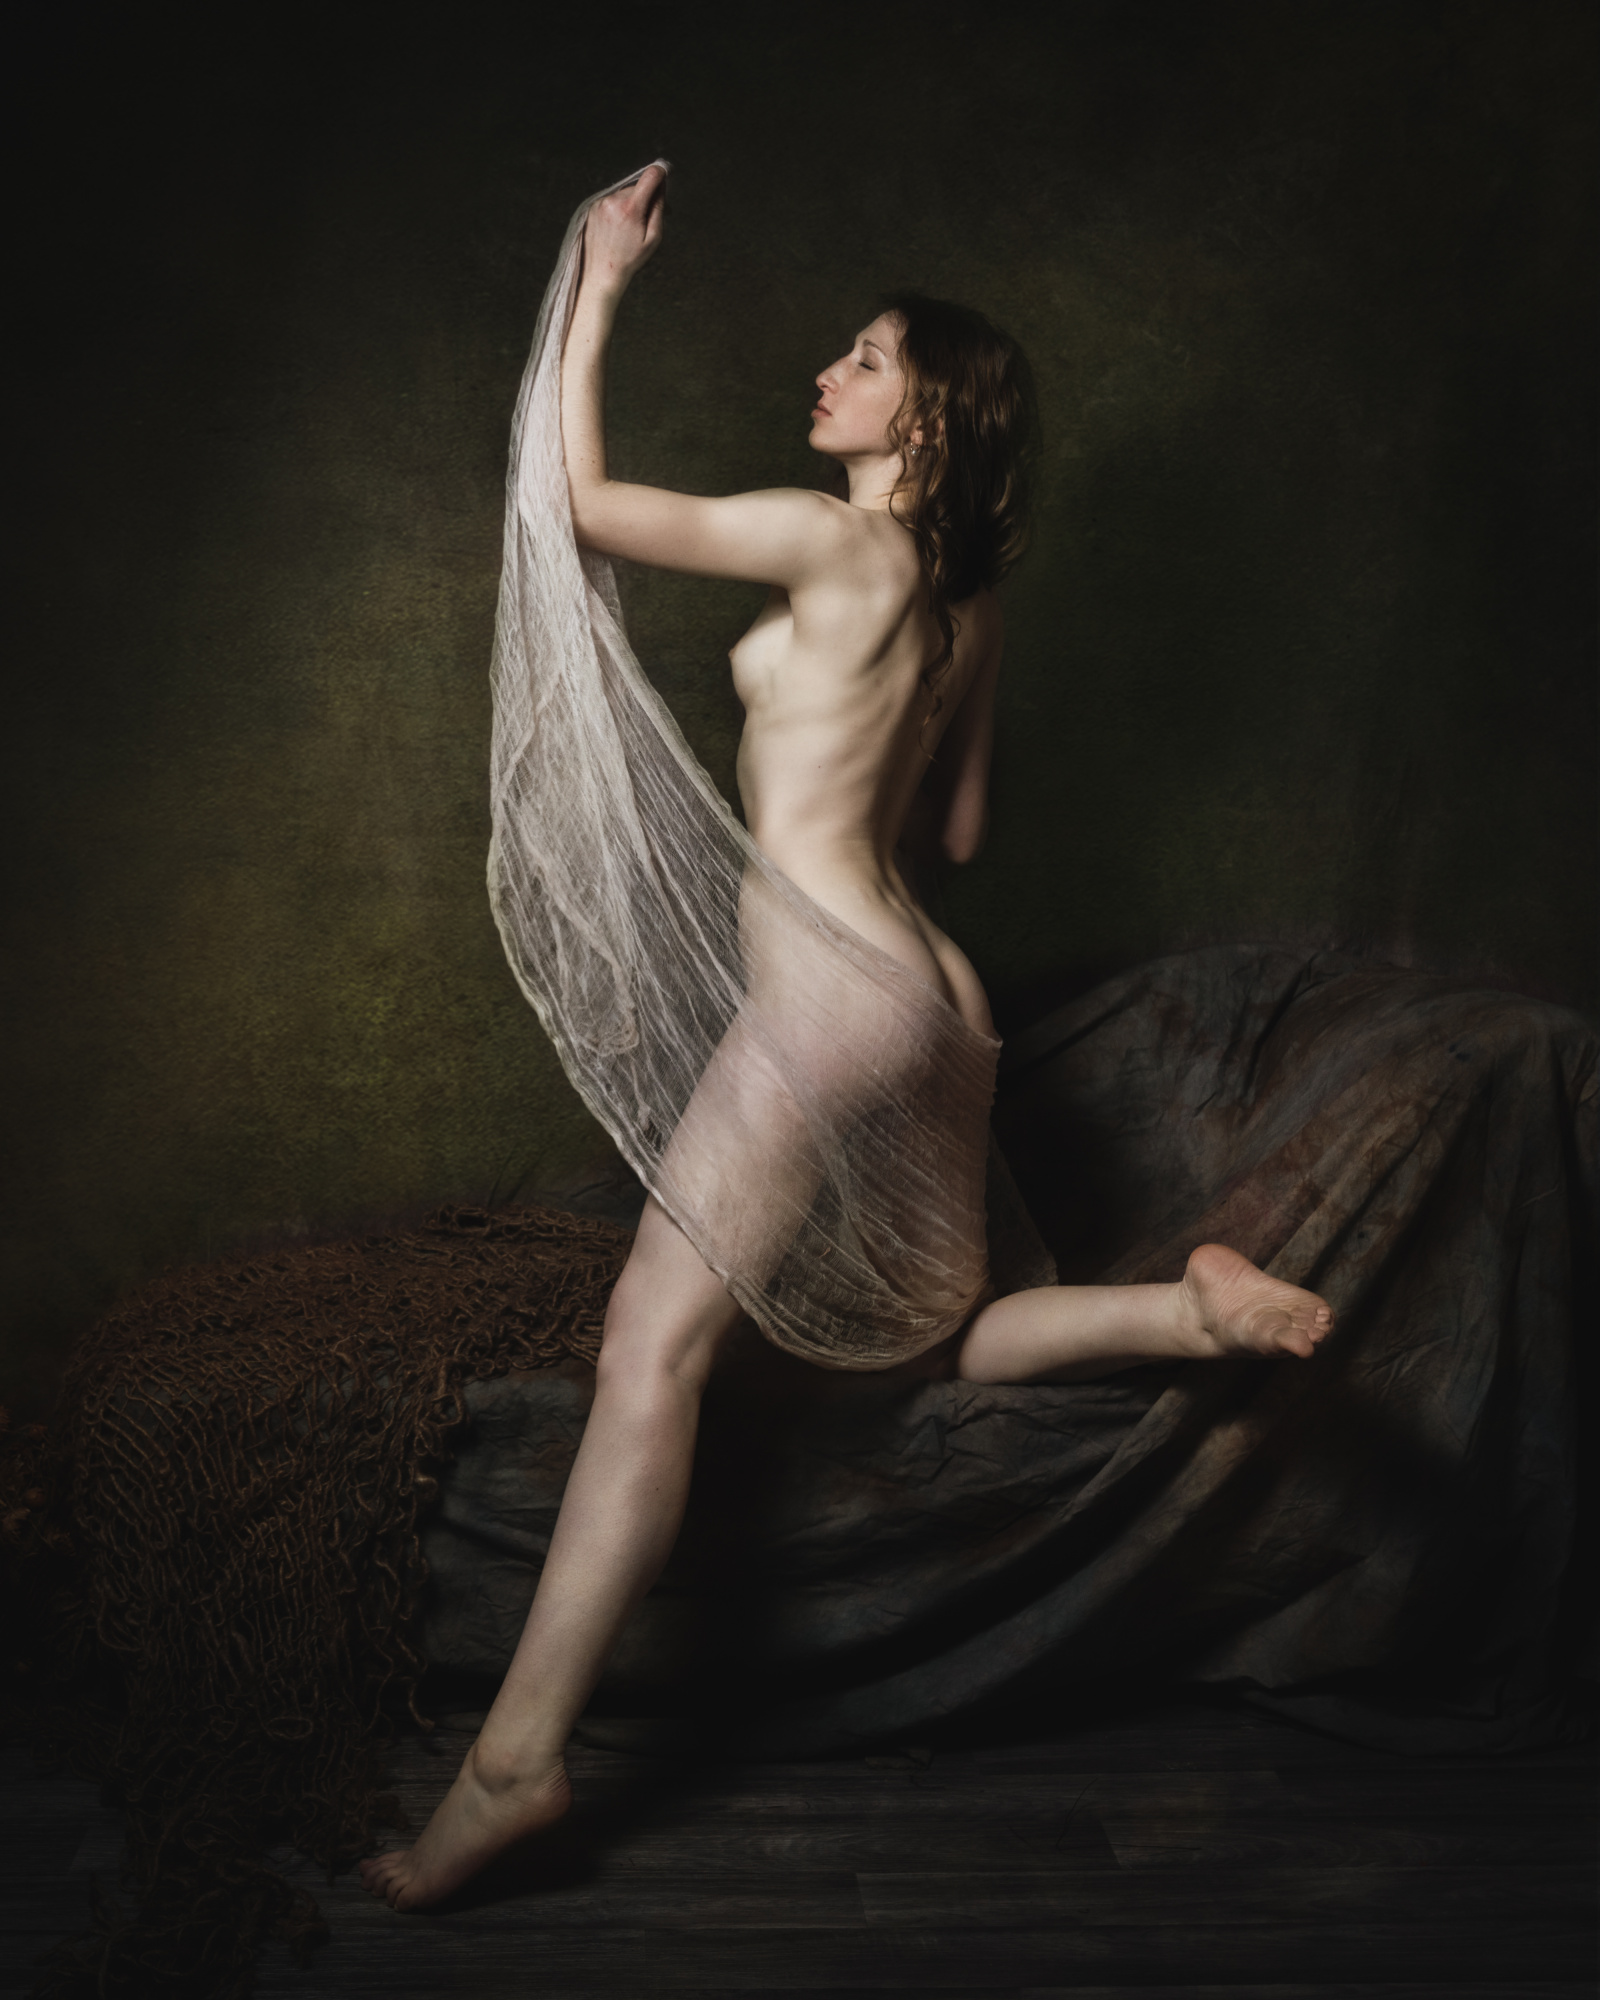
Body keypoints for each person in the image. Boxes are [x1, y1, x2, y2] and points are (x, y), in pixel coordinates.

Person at [360, 163, 1333, 1911]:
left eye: (869, 358)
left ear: (930, 417)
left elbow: (577, 505)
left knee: (647, 1350)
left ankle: (514, 1765)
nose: (831, 371)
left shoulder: (834, 541)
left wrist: (599, 279)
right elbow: (956, 830)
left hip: (831, 993)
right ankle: (1182, 1313)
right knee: (930, 1336)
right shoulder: (966, 605)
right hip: (934, 992)